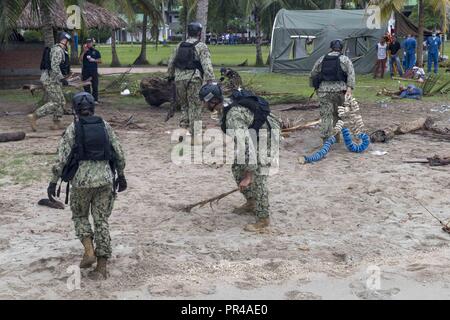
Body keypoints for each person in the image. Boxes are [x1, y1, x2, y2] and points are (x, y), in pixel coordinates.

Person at [47, 92, 127, 280]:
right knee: (101, 221)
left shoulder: (72, 129)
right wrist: (121, 176)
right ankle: (101, 267)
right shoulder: (105, 126)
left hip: (81, 182)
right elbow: (119, 154)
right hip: (106, 180)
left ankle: (89, 250)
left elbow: (61, 159)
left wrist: (53, 182)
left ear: (75, 109)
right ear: (93, 108)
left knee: (80, 215)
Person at [199, 84, 281, 232]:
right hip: (256, 134)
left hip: (267, 135)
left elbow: (246, 145)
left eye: (203, 101)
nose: (202, 104)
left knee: (258, 174)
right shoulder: (225, 108)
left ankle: (263, 220)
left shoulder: (232, 117)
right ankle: (252, 202)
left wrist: (248, 175)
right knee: (237, 166)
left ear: (212, 101)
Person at [167, 22, 215, 139]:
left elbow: (171, 63)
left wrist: (170, 76)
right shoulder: (201, 46)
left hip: (179, 80)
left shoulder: (179, 45)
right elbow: (206, 65)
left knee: (184, 106)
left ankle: (183, 131)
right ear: (199, 32)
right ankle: (196, 135)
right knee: (195, 107)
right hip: (194, 79)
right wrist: (211, 80)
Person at [310, 39, 356, 142]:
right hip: (340, 91)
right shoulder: (345, 59)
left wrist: (316, 88)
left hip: (324, 92)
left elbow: (313, 74)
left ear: (330, 48)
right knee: (338, 114)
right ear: (341, 48)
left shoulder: (321, 59)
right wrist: (349, 89)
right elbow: (351, 74)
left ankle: (326, 140)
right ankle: (336, 137)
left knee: (326, 115)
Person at [28, 32, 71, 131]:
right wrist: (62, 78)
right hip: (50, 80)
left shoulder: (61, 50)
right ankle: (34, 116)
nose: (69, 44)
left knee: (61, 101)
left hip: (55, 80)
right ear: (64, 40)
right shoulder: (57, 50)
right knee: (56, 102)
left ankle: (57, 123)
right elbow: (55, 66)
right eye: (69, 42)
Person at [80, 38, 102, 104]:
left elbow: (100, 61)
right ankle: (88, 99)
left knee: (95, 85)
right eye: (88, 43)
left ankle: (95, 100)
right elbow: (80, 60)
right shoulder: (84, 51)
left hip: (93, 71)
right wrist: (84, 52)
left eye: (90, 43)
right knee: (86, 86)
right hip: (85, 71)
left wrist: (94, 60)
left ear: (92, 43)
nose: (89, 44)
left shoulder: (96, 51)